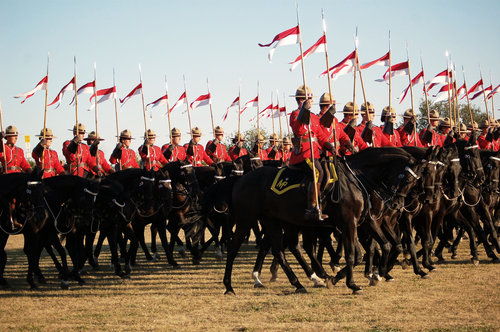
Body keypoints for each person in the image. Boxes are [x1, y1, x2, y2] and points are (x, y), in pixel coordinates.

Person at [289, 85, 335, 221]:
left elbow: (320, 135)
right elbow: (297, 129)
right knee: (317, 172)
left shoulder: (314, 117)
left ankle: (323, 201)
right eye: (305, 98)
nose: (309, 101)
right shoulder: (295, 114)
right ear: (299, 100)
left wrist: (329, 146)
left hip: (316, 152)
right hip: (303, 153)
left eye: (309, 98)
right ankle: (311, 208)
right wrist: (304, 109)